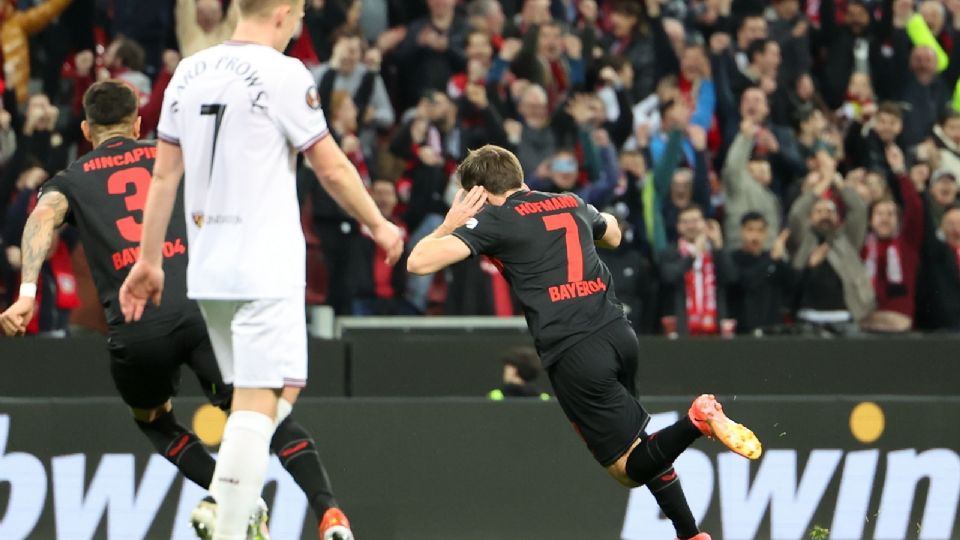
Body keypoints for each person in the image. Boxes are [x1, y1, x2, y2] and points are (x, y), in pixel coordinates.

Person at [0, 80, 356, 539]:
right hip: (202, 311)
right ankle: (329, 511)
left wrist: (27, 290)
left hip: (136, 330)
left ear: (87, 130)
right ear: (139, 122)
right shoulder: (174, 157)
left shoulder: (70, 179)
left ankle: (229, 496)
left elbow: (41, 219)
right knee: (261, 412)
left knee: (155, 422)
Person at [118, 0, 404, 538]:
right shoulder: (284, 73)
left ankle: (226, 490)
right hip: (263, 264)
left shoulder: (188, 71)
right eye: (298, 17)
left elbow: (162, 177)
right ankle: (225, 517)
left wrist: (149, 260)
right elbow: (331, 167)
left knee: (265, 396)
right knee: (263, 399)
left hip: (208, 269)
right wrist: (379, 224)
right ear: (284, 12)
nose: (299, 27)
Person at [407, 144, 761, 540]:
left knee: (628, 469)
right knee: (640, 443)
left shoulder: (495, 218)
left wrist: (452, 222)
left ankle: (697, 419)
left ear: (479, 193)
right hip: (617, 332)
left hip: (574, 351)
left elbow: (417, 262)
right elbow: (612, 232)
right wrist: (591, 216)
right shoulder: (569, 201)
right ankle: (690, 533)